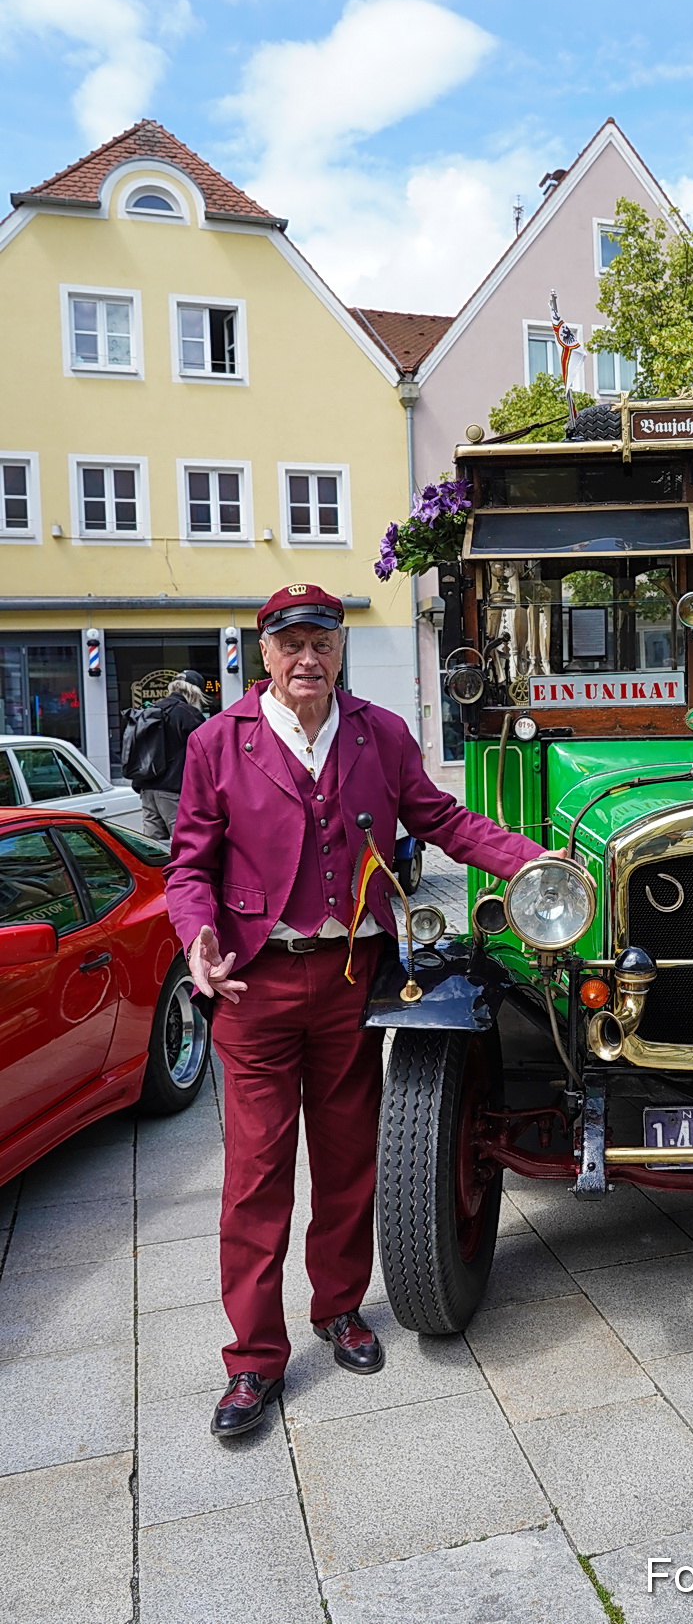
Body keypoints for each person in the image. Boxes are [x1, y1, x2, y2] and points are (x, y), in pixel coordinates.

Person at [164, 585, 547, 1438]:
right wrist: (195, 936)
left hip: (349, 979)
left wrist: (528, 860)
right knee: (255, 1179)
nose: (307, 660)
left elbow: (440, 817)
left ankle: (338, 1311)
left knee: (347, 1166)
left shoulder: (378, 732)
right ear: (263, 652)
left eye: (321, 644)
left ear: (340, 651)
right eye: (290, 644)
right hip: (254, 986)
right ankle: (253, 1362)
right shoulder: (216, 744)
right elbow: (189, 866)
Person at [137, 672, 208, 841]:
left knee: (154, 847)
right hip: (172, 790)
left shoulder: (152, 709)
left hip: (147, 789)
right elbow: (206, 752)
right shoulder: (189, 714)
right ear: (195, 692)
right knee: (186, 845)